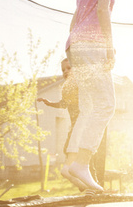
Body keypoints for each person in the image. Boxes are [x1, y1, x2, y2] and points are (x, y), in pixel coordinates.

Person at [64, 0, 121, 192]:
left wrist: (70, 49)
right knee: (106, 104)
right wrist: (109, 46)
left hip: (76, 45)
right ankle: (82, 163)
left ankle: (70, 164)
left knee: (88, 108)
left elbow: (73, 22)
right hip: (92, 45)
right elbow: (102, 11)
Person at [37, 58, 106, 191]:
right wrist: (50, 103)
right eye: (63, 70)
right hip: (76, 128)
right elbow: (64, 103)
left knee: (83, 158)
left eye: (69, 68)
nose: (66, 72)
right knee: (74, 160)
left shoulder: (79, 84)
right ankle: (89, 187)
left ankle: (90, 187)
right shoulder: (68, 87)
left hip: (82, 127)